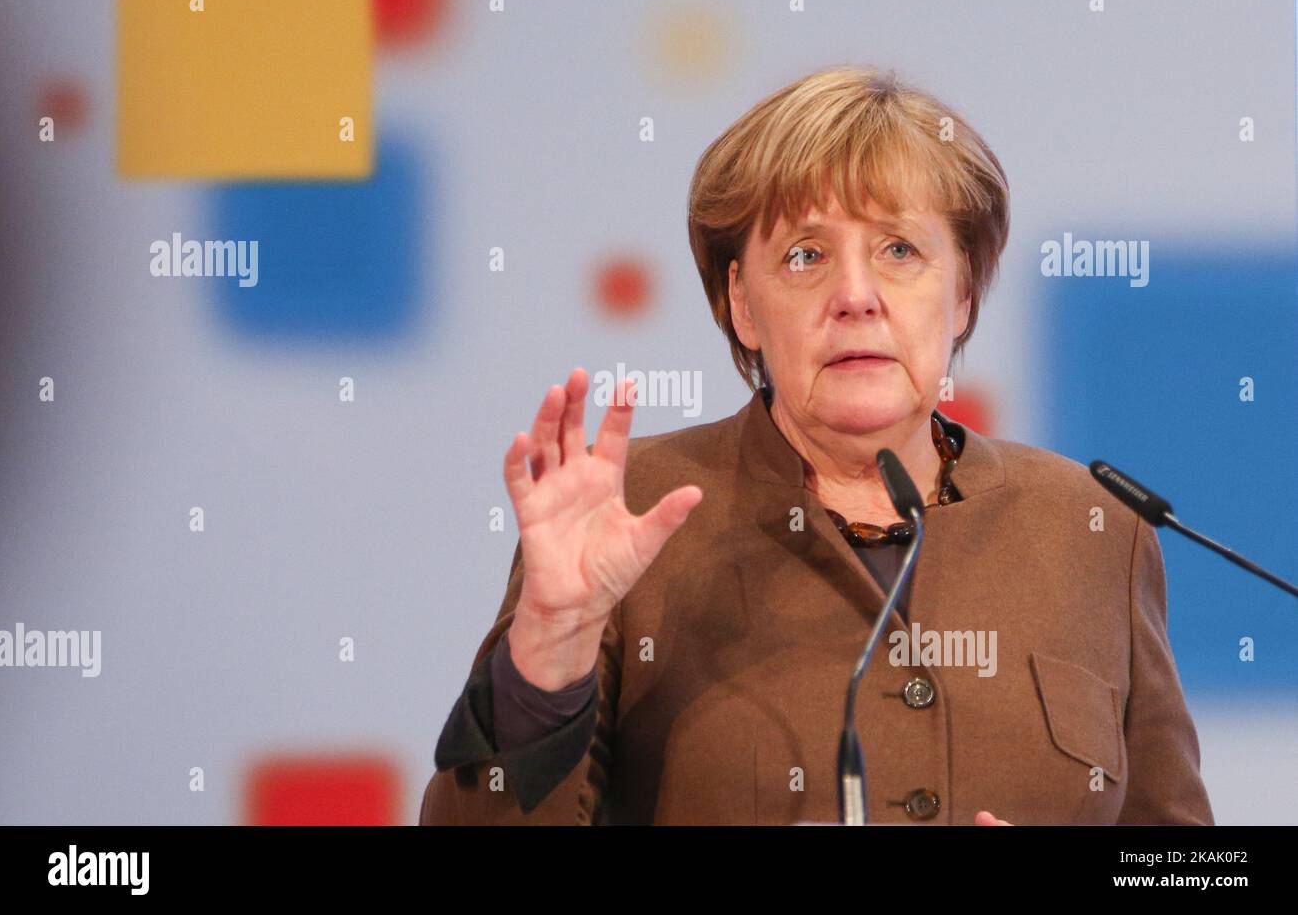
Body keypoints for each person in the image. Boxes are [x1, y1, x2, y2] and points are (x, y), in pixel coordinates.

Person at [419, 65, 1214, 825]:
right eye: (806, 255)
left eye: (900, 250)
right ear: (742, 305)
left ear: (963, 292)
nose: (855, 297)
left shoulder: (1090, 529)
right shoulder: (632, 515)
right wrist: (549, 651)